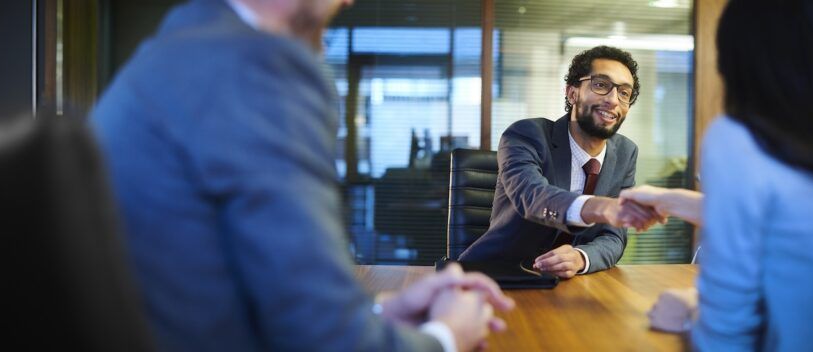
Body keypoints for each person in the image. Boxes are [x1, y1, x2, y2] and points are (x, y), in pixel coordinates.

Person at [90, 0, 514, 351]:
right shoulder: (257, 65)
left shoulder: (178, 51)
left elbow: (251, 294)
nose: (346, 1)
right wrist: (445, 337)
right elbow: (325, 341)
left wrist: (381, 312)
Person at [629, 0, 813, 349]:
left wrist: (688, 315)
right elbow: (802, 220)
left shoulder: (738, 138)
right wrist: (669, 199)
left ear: (734, 57)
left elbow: (724, 339)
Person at [458, 46, 663, 278]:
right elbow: (533, 197)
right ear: (572, 93)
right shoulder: (526, 135)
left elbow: (613, 237)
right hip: (497, 276)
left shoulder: (626, 152)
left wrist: (581, 257)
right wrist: (602, 207)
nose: (613, 100)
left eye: (624, 93)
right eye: (601, 85)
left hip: (569, 286)